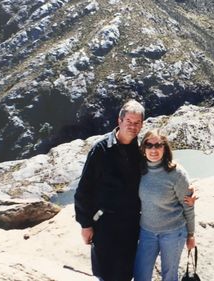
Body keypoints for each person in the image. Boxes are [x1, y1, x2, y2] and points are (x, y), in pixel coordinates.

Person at [74, 99, 145, 281]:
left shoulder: (140, 151)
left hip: (131, 224)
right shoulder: (101, 150)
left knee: (125, 272)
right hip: (105, 224)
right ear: (119, 121)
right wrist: (86, 224)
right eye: (129, 121)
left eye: (137, 123)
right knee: (104, 273)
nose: (132, 126)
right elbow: (84, 190)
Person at [133, 129, 195, 281]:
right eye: (149, 145)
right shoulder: (137, 171)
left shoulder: (177, 173)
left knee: (169, 275)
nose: (153, 150)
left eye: (158, 145)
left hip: (173, 232)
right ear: (143, 148)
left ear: (164, 148)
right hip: (147, 232)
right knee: (140, 274)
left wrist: (191, 234)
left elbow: (188, 205)